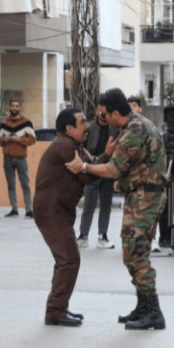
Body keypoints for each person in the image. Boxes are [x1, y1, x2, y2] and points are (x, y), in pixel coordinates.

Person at [66, 88, 168, 331]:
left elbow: (112, 170)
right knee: (134, 252)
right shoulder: (137, 124)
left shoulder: (133, 131)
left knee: (135, 254)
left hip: (145, 198)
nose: (102, 119)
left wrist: (83, 168)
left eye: (104, 114)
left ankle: (153, 312)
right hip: (143, 195)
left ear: (114, 113)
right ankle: (143, 307)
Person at [34, 108, 100, 327]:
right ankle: (55, 312)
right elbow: (89, 175)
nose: (87, 126)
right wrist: (108, 158)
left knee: (67, 260)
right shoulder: (65, 146)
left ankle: (59, 308)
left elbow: (90, 169)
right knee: (69, 260)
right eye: (82, 122)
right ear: (70, 128)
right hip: (51, 211)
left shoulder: (75, 146)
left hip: (59, 211)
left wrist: (107, 154)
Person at [77, 95, 119, 249]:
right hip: (93, 169)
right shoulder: (89, 127)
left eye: (104, 109)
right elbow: (81, 147)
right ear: (95, 110)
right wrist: (88, 161)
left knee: (106, 205)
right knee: (89, 204)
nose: (102, 112)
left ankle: (103, 236)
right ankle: (83, 236)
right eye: (99, 108)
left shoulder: (115, 129)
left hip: (108, 169)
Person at [0, 98, 36, 219]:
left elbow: (32, 140)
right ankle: (14, 210)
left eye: (16, 106)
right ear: (9, 107)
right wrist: (5, 139)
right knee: (11, 185)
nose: (14, 108)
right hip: (7, 158)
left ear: (19, 107)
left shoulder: (26, 122)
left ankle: (29, 210)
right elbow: (0, 142)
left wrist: (19, 139)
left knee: (25, 184)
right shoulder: (4, 123)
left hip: (21, 158)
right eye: (12, 106)